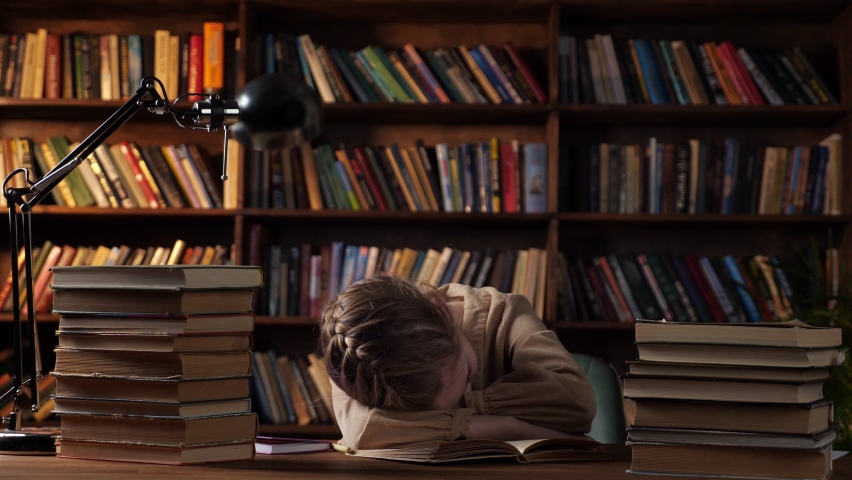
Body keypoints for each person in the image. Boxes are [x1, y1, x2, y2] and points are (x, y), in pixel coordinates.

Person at [319, 274, 597, 450]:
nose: (464, 394)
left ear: (441, 310)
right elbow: (361, 432)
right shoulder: (360, 353)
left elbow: (578, 403)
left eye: (466, 376)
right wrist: (512, 427)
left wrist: (443, 420)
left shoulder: (505, 312)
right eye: (448, 407)